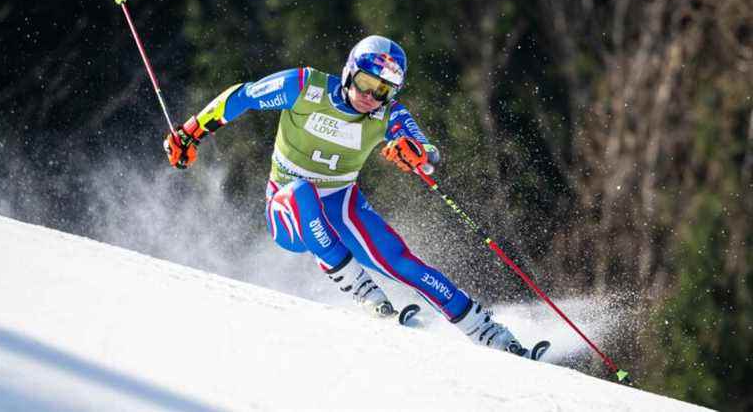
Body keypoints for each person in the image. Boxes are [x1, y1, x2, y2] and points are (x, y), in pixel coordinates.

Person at [164, 35, 549, 360]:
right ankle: (362, 290)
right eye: (366, 82)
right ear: (349, 71)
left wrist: (417, 154)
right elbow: (243, 97)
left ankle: (491, 335)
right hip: (286, 209)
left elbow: (427, 151)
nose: (371, 96)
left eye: (383, 90)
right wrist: (192, 131)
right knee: (301, 192)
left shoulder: (387, 115)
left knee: (403, 263)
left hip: (341, 204)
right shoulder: (304, 86)